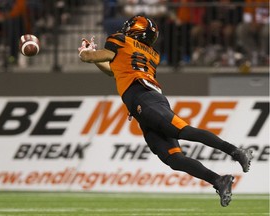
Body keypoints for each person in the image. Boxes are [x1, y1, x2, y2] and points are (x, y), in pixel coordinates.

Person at [78, 15, 253, 207]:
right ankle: (219, 181)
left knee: (182, 130)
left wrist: (86, 52)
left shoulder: (120, 41)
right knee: (173, 158)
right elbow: (113, 69)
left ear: (135, 29)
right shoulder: (151, 53)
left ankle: (236, 152)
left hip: (145, 99)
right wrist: (95, 56)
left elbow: (91, 57)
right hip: (146, 102)